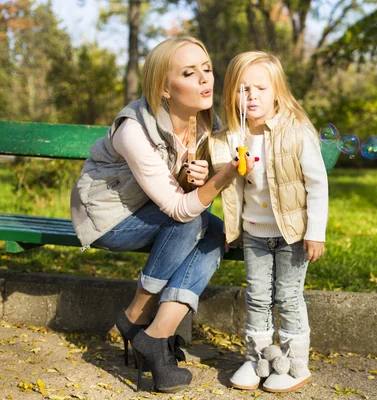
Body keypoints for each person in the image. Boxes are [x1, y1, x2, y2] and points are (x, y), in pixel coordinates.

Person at [70, 36, 252, 393]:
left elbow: (187, 195)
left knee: (214, 233)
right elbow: (179, 209)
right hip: (110, 219)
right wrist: (220, 177)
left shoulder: (204, 123)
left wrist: (196, 178)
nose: (205, 80)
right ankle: (137, 313)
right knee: (192, 221)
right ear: (164, 89)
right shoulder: (133, 130)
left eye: (207, 69)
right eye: (189, 72)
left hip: (156, 211)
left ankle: (157, 334)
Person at [210, 51, 329, 393]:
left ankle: (294, 365)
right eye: (242, 89)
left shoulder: (296, 132)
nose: (251, 97)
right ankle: (259, 360)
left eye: (260, 88)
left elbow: (317, 185)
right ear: (231, 93)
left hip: (292, 234)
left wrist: (315, 232)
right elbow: (227, 185)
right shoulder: (231, 137)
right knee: (258, 298)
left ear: (277, 90)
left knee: (288, 298)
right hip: (255, 234)